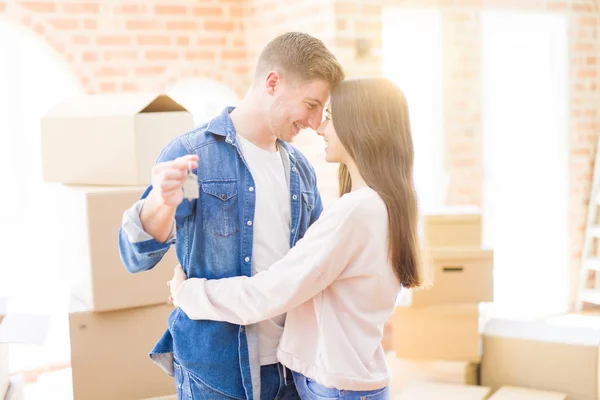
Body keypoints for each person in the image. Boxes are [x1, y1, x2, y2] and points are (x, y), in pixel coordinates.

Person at [168, 78, 426, 400]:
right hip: (360, 380)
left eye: (329, 116)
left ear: (359, 126)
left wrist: (188, 292)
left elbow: (270, 291)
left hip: (336, 388)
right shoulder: (389, 203)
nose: (320, 128)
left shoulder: (355, 211)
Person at [118, 32, 344, 400]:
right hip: (218, 375)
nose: (317, 121)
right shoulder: (194, 158)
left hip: (293, 369)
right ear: (273, 83)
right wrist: (160, 201)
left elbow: (315, 263)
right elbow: (136, 257)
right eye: (311, 104)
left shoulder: (300, 170)